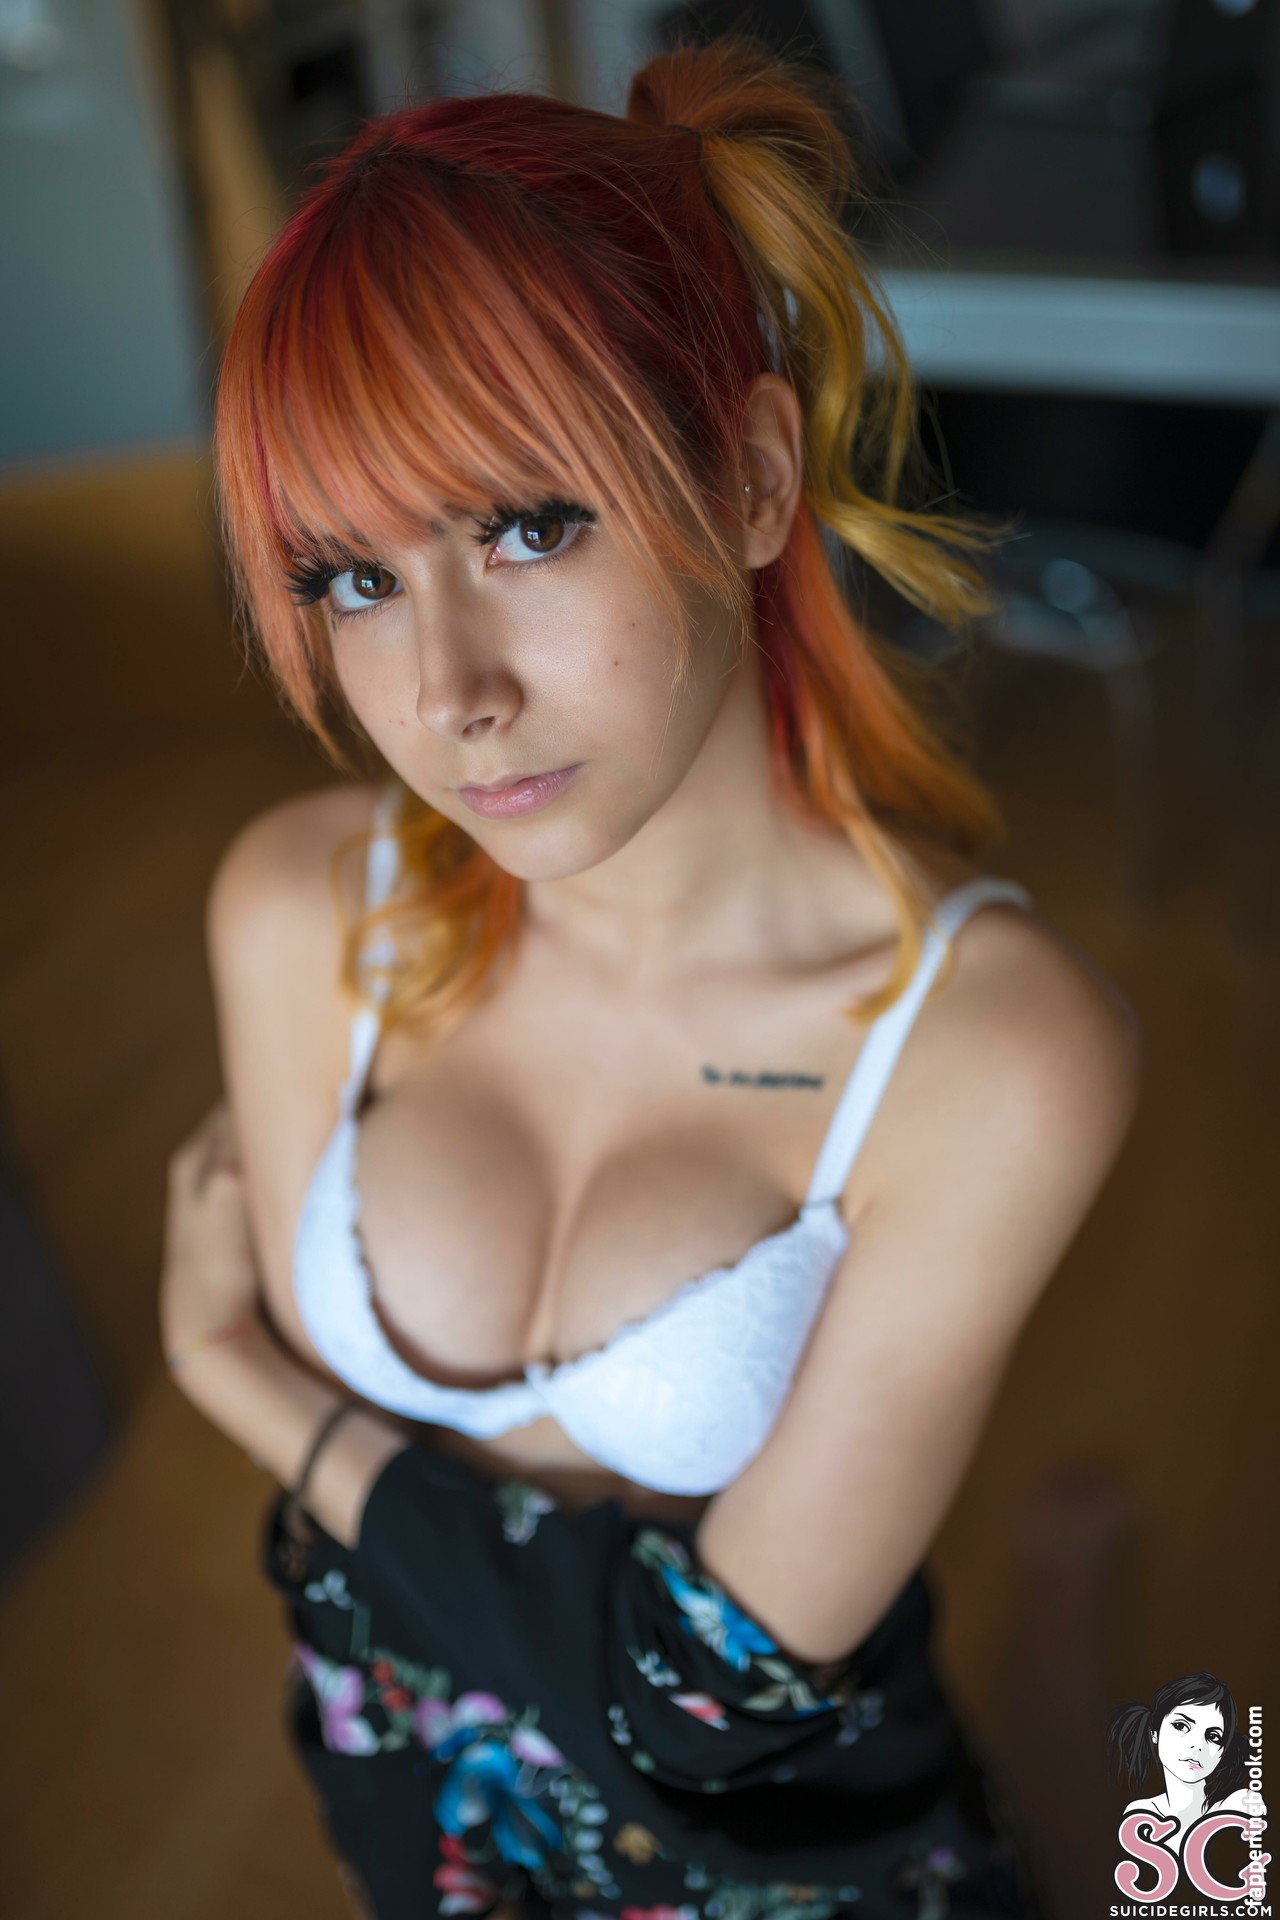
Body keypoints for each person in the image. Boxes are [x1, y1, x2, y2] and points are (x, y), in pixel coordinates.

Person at [160, 33, 1142, 1920]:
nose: (448, 691)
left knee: (1179, 1858)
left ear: (754, 479)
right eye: (354, 577)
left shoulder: (992, 1052)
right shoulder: (299, 909)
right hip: (420, 1849)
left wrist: (243, 1382)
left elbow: (704, 1705)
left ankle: (1088, 1653)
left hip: (803, 1870)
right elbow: (362, 1586)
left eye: (530, 528)